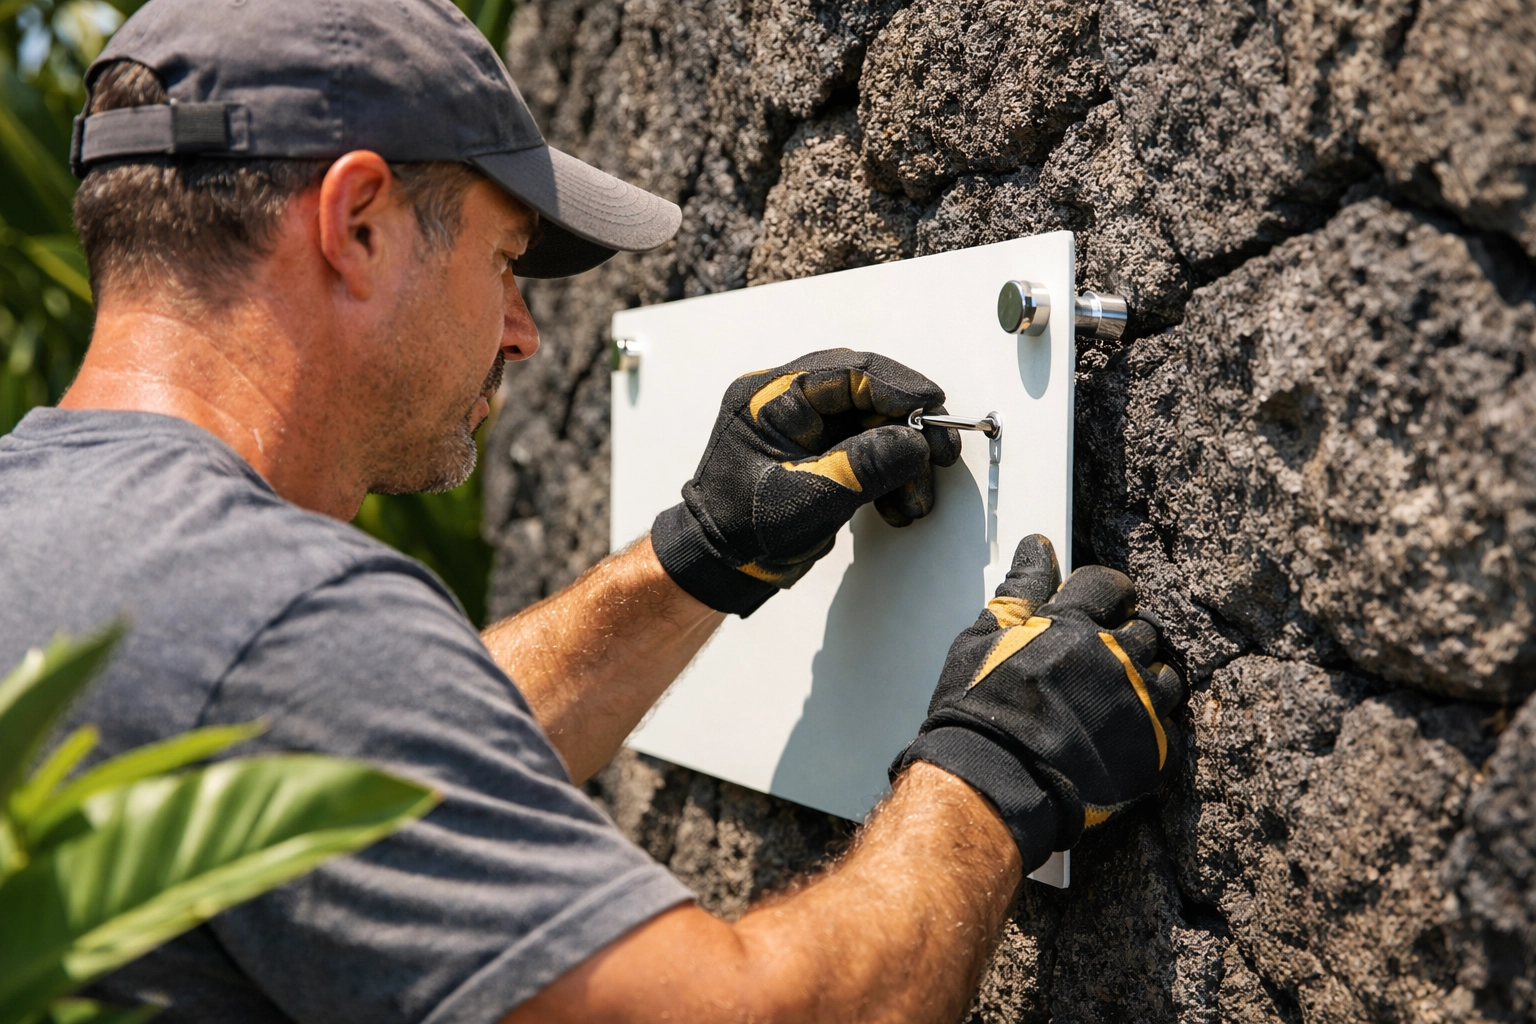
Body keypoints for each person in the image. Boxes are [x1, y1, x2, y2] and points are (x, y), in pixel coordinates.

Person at [0, 0, 1185, 1021]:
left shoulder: (54, 533)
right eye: (505, 256)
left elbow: (363, 742)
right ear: (355, 222)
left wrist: (696, 557)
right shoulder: (278, 625)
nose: (519, 331)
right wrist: (990, 776)